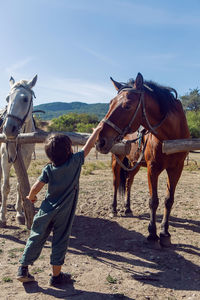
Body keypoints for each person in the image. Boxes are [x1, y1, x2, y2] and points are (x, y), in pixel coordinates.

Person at [17, 123, 103, 286]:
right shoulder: (75, 162)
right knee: (60, 240)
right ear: (69, 150)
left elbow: (36, 186)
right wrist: (97, 131)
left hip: (46, 210)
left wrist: (31, 196)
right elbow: (88, 146)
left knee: (36, 237)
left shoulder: (48, 169)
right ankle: (56, 277)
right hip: (64, 212)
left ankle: (23, 268)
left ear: (50, 156)